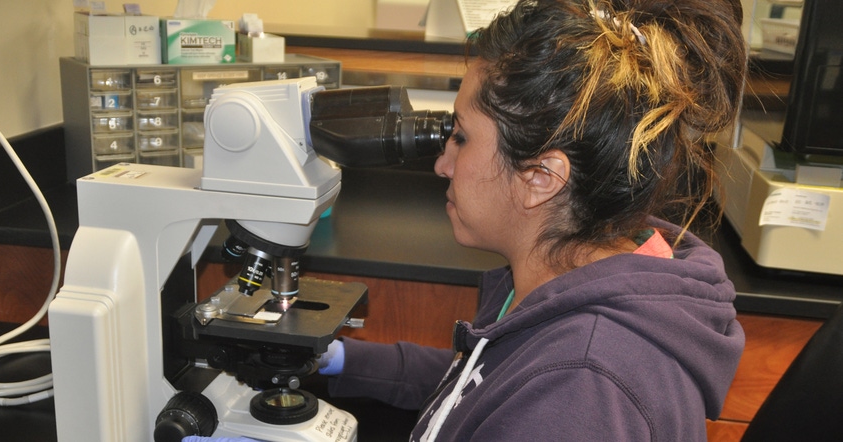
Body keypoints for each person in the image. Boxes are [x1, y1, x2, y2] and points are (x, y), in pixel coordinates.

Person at [186, 0, 747, 440]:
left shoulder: (579, 394)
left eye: (461, 136)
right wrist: (338, 359)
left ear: (541, 178)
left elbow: (535, 395)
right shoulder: (578, 273)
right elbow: (485, 381)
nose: (442, 162)